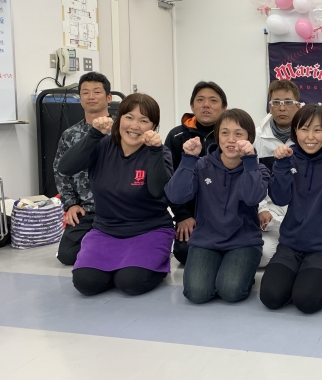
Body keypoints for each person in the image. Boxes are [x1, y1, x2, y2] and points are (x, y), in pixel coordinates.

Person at [58, 93, 175, 296]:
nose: (135, 126)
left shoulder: (159, 152)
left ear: (153, 127)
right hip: (106, 230)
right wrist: (94, 134)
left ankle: (152, 261)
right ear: (119, 119)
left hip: (148, 231)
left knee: (130, 282)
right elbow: (65, 167)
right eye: (129, 117)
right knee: (86, 283)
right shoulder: (102, 145)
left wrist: (155, 151)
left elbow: (159, 191)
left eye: (144, 120)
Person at [165, 109, 270, 304]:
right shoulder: (201, 165)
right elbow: (175, 195)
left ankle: (240, 275)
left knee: (231, 292)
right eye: (225, 133)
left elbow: (251, 198)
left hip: (243, 242)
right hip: (206, 240)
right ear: (217, 136)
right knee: (196, 293)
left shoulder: (258, 169)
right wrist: (188, 159)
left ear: (249, 138)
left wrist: (249, 161)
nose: (231, 139)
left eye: (238, 134)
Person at [260, 105, 322, 314]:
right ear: (295, 131)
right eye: (304, 129)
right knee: (271, 297)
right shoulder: (288, 156)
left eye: (318, 130)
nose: (310, 137)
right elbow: (279, 198)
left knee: (307, 300)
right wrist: (281, 165)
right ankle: (301, 277)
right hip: (291, 244)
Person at [164, 81, 228, 265]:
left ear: (224, 107)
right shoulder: (176, 136)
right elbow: (169, 181)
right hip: (191, 214)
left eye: (213, 100)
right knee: (185, 253)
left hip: (224, 212)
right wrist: (182, 215)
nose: (206, 105)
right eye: (200, 100)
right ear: (192, 106)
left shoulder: (230, 136)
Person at [54, 72, 112, 265]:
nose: (91, 96)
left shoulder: (122, 131)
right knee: (68, 255)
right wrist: (70, 204)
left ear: (109, 98)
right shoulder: (70, 135)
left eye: (97, 91)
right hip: (86, 210)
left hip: (117, 209)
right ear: (80, 99)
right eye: (85, 93)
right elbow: (60, 172)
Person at [254, 80, 301, 267]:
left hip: (302, 209)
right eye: (276, 102)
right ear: (270, 106)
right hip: (270, 209)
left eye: (288, 102)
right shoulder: (255, 137)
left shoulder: (308, 137)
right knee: (261, 256)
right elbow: (251, 178)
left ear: (298, 106)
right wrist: (261, 208)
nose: (282, 108)